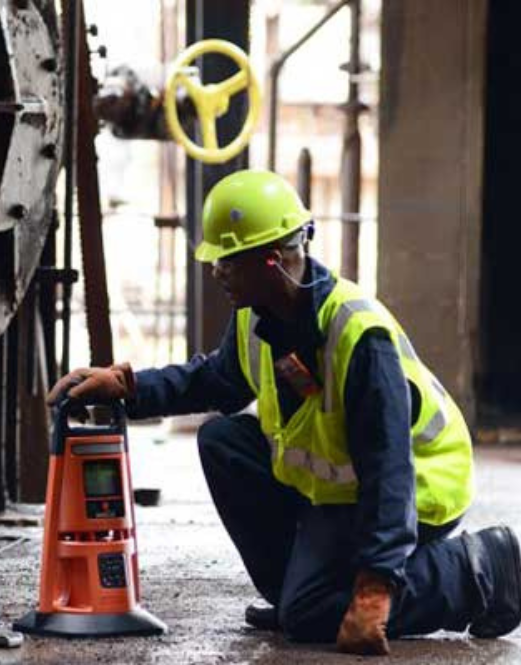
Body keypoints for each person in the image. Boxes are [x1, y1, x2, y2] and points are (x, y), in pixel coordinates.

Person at [48, 170, 521, 655]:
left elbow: (390, 472)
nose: (217, 272)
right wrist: (126, 387)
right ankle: (299, 592)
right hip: (342, 495)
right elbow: (216, 380)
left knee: (312, 615)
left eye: (228, 260)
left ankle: (479, 567)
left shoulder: (358, 337)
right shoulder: (256, 318)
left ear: (271, 260)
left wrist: (375, 591)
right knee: (223, 442)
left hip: (419, 492)